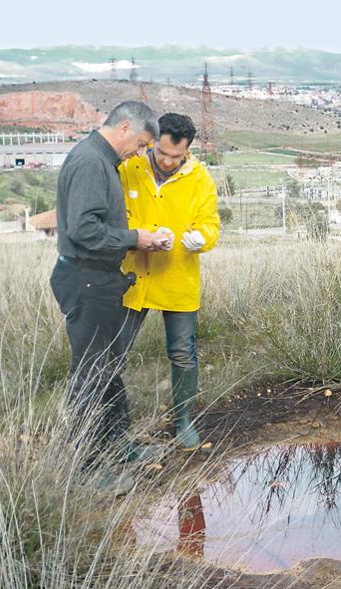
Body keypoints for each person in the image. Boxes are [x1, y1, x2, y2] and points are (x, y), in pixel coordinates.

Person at [49, 100, 169, 457]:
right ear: (125, 128)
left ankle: (117, 446)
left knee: (109, 366)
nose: (140, 152)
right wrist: (137, 238)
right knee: (92, 372)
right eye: (143, 144)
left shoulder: (103, 160)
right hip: (88, 280)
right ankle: (88, 463)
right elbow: (84, 229)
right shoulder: (90, 162)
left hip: (100, 278)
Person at [119, 113, 220, 449]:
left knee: (182, 354)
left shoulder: (200, 177)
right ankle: (114, 429)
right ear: (154, 142)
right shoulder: (130, 168)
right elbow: (117, 215)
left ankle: (183, 418)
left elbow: (210, 224)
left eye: (176, 157)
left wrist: (200, 239)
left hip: (178, 278)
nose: (166, 161)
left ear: (187, 151)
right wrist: (140, 236)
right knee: (115, 353)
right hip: (134, 277)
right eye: (161, 153)